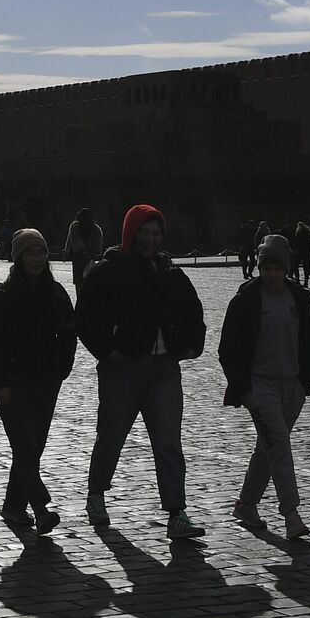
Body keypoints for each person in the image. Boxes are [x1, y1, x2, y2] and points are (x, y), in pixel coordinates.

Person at [77, 204, 208, 540]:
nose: (150, 239)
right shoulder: (109, 271)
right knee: (112, 435)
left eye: (155, 233)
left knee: (168, 442)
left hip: (164, 367)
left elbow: (193, 310)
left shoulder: (168, 270)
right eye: (144, 233)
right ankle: (96, 493)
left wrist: (193, 345)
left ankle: (177, 511)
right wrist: (110, 350)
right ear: (131, 233)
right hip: (123, 368)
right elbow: (87, 317)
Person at [219, 234, 310, 540]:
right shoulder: (246, 300)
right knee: (279, 446)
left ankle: (246, 504)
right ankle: (291, 514)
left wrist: (304, 382)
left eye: (277, 268)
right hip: (259, 386)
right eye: (266, 268)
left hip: (292, 386)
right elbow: (228, 348)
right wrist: (242, 385)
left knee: (268, 447)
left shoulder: (299, 298)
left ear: (286, 268)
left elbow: (309, 339)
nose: (272, 274)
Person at [0, 228, 76, 533]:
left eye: (41, 252)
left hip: (46, 382)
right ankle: (41, 508)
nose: (36, 259)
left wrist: (62, 368)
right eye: (29, 253)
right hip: (14, 381)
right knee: (25, 446)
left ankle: (13, 507)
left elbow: (70, 332)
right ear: (18, 257)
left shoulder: (56, 293)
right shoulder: (3, 294)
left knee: (32, 448)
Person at [64, 208, 104, 290]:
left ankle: (79, 300)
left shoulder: (74, 227)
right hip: (90, 258)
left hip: (78, 258)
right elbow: (98, 247)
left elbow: (73, 242)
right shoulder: (96, 229)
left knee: (78, 282)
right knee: (90, 280)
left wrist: (67, 250)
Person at [291, 222, 310, 287]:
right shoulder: (308, 234)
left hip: (298, 252)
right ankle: (306, 282)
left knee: (295, 266)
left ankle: (297, 280)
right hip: (306, 252)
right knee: (306, 268)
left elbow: (296, 243)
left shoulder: (298, 233)